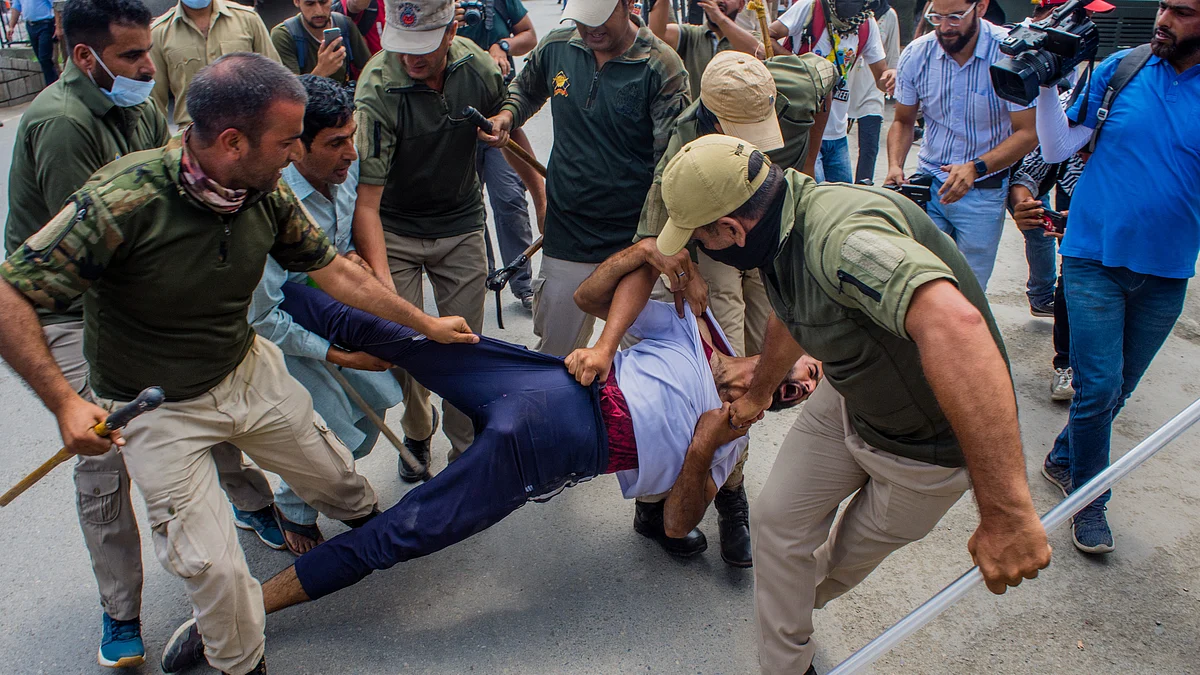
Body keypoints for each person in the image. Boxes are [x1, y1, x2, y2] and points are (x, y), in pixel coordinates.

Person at [0, 53, 478, 675]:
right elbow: (10, 292)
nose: (294, 154)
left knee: (336, 478)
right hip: (155, 407)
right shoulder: (121, 201)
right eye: (286, 141)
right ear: (232, 141)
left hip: (245, 370)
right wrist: (64, 402)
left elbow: (330, 270)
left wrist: (423, 324)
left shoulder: (263, 187)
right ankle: (240, 664)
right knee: (216, 571)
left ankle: (366, 527)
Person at [653, 134, 1051, 675]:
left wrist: (1007, 512)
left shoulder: (842, 239)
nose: (700, 250)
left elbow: (955, 326)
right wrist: (762, 390)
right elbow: (791, 306)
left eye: (701, 239)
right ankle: (788, 666)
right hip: (848, 397)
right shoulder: (779, 224)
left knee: (832, 567)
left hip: (924, 452)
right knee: (776, 527)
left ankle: (790, 611)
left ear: (731, 229)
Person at [245, 244, 822, 617]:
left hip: (540, 457)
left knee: (403, 532)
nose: (803, 388)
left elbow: (676, 525)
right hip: (535, 380)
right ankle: (251, 282)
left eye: (803, 394)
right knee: (387, 332)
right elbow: (591, 295)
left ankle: (246, 608)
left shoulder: (729, 442)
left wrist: (703, 446)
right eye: (806, 372)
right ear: (776, 352)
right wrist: (646, 254)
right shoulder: (698, 330)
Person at [2, 0, 286, 668]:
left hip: (144, 281)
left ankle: (250, 502)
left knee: (207, 382)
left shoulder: (137, 103)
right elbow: (105, 253)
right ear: (84, 57)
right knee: (104, 453)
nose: (147, 68)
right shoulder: (61, 124)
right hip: (73, 308)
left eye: (146, 54)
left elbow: (174, 191)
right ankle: (120, 606)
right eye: (132, 58)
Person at [636, 50, 835, 565]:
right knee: (723, 377)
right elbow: (660, 229)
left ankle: (714, 485)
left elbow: (825, 90)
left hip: (776, 233)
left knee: (766, 360)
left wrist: (807, 162)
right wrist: (689, 272)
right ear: (711, 115)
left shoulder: (795, 83)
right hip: (715, 247)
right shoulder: (686, 137)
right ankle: (729, 499)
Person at [1034, 0, 1200, 554]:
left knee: (1118, 390)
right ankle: (1088, 501)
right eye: (1163, 6)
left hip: (1168, 273)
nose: (1163, 19)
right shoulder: (1122, 69)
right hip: (1091, 258)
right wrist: (1044, 88)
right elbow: (1059, 147)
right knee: (1099, 385)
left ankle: (1063, 458)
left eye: (1181, 12)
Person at [352, 0, 515, 473]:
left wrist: (507, 128)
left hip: (461, 222)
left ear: (451, 30)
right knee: (405, 346)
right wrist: (381, 284)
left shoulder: (475, 63)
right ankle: (417, 430)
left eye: (423, 47)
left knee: (464, 346)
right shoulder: (377, 88)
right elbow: (366, 203)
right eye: (403, 48)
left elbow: (506, 104)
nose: (412, 59)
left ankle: (465, 455)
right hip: (395, 229)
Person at [248, 74, 405, 555]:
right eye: (335, 143)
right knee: (319, 433)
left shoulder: (343, 172)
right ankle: (295, 510)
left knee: (372, 408)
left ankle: (308, 494)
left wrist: (359, 267)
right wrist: (341, 355)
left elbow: (348, 238)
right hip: (283, 333)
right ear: (295, 146)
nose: (351, 154)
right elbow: (264, 316)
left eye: (352, 138)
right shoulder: (272, 204)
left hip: (338, 313)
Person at [481, 0, 689, 357]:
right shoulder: (558, 46)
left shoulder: (661, 65)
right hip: (568, 235)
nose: (591, 30)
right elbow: (525, 91)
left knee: (650, 360)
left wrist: (653, 242)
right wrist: (506, 117)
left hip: (634, 239)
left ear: (627, 4)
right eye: (582, 20)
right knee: (554, 355)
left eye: (601, 18)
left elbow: (668, 167)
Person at [884, 0, 1037, 291]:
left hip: (983, 192)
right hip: (928, 187)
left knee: (970, 291)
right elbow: (903, 121)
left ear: (980, 8)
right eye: (936, 17)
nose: (944, 28)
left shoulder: (1010, 53)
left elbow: (1028, 133)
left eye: (955, 17)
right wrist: (895, 165)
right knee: (919, 285)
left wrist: (976, 168)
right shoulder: (917, 53)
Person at [457, 0, 546, 309]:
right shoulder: (439, 9)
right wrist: (445, 28)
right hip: (454, 125)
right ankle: (478, 276)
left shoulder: (499, 2)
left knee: (509, 198)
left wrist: (502, 45)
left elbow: (529, 36)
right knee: (467, 205)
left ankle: (521, 283)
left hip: (498, 119)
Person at [768, 0, 896, 184]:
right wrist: (801, 68)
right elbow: (767, 36)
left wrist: (891, 76)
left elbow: (881, 77)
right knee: (814, 197)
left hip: (837, 135)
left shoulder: (866, 24)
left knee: (841, 200)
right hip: (805, 131)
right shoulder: (810, 7)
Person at [148, 0, 279, 126]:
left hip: (248, 128)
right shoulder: (159, 32)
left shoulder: (248, 19)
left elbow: (275, 79)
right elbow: (156, 101)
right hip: (194, 134)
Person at [647, 0, 765, 98]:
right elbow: (658, 35)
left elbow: (758, 52)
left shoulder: (750, 38)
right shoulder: (691, 35)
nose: (720, 1)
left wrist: (720, 18)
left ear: (741, 5)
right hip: (697, 123)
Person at [846, 0, 899, 184]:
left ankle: (863, 187)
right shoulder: (845, 10)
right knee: (836, 144)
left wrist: (892, 81)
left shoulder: (888, 15)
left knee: (869, 146)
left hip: (873, 89)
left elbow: (892, 55)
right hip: (846, 85)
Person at [271, 0, 371, 84]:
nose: (318, 11)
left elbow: (368, 69)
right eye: (310, 4)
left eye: (323, 2)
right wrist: (321, 71)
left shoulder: (344, 24)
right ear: (297, 2)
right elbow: (291, 94)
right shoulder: (284, 35)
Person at [8, 0, 59, 85]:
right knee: (41, 58)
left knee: (45, 58)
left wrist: (58, 26)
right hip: (30, 26)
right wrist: (11, 26)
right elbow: (16, 7)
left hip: (45, 24)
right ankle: (55, 82)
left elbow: (55, 4)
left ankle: (52, 85)